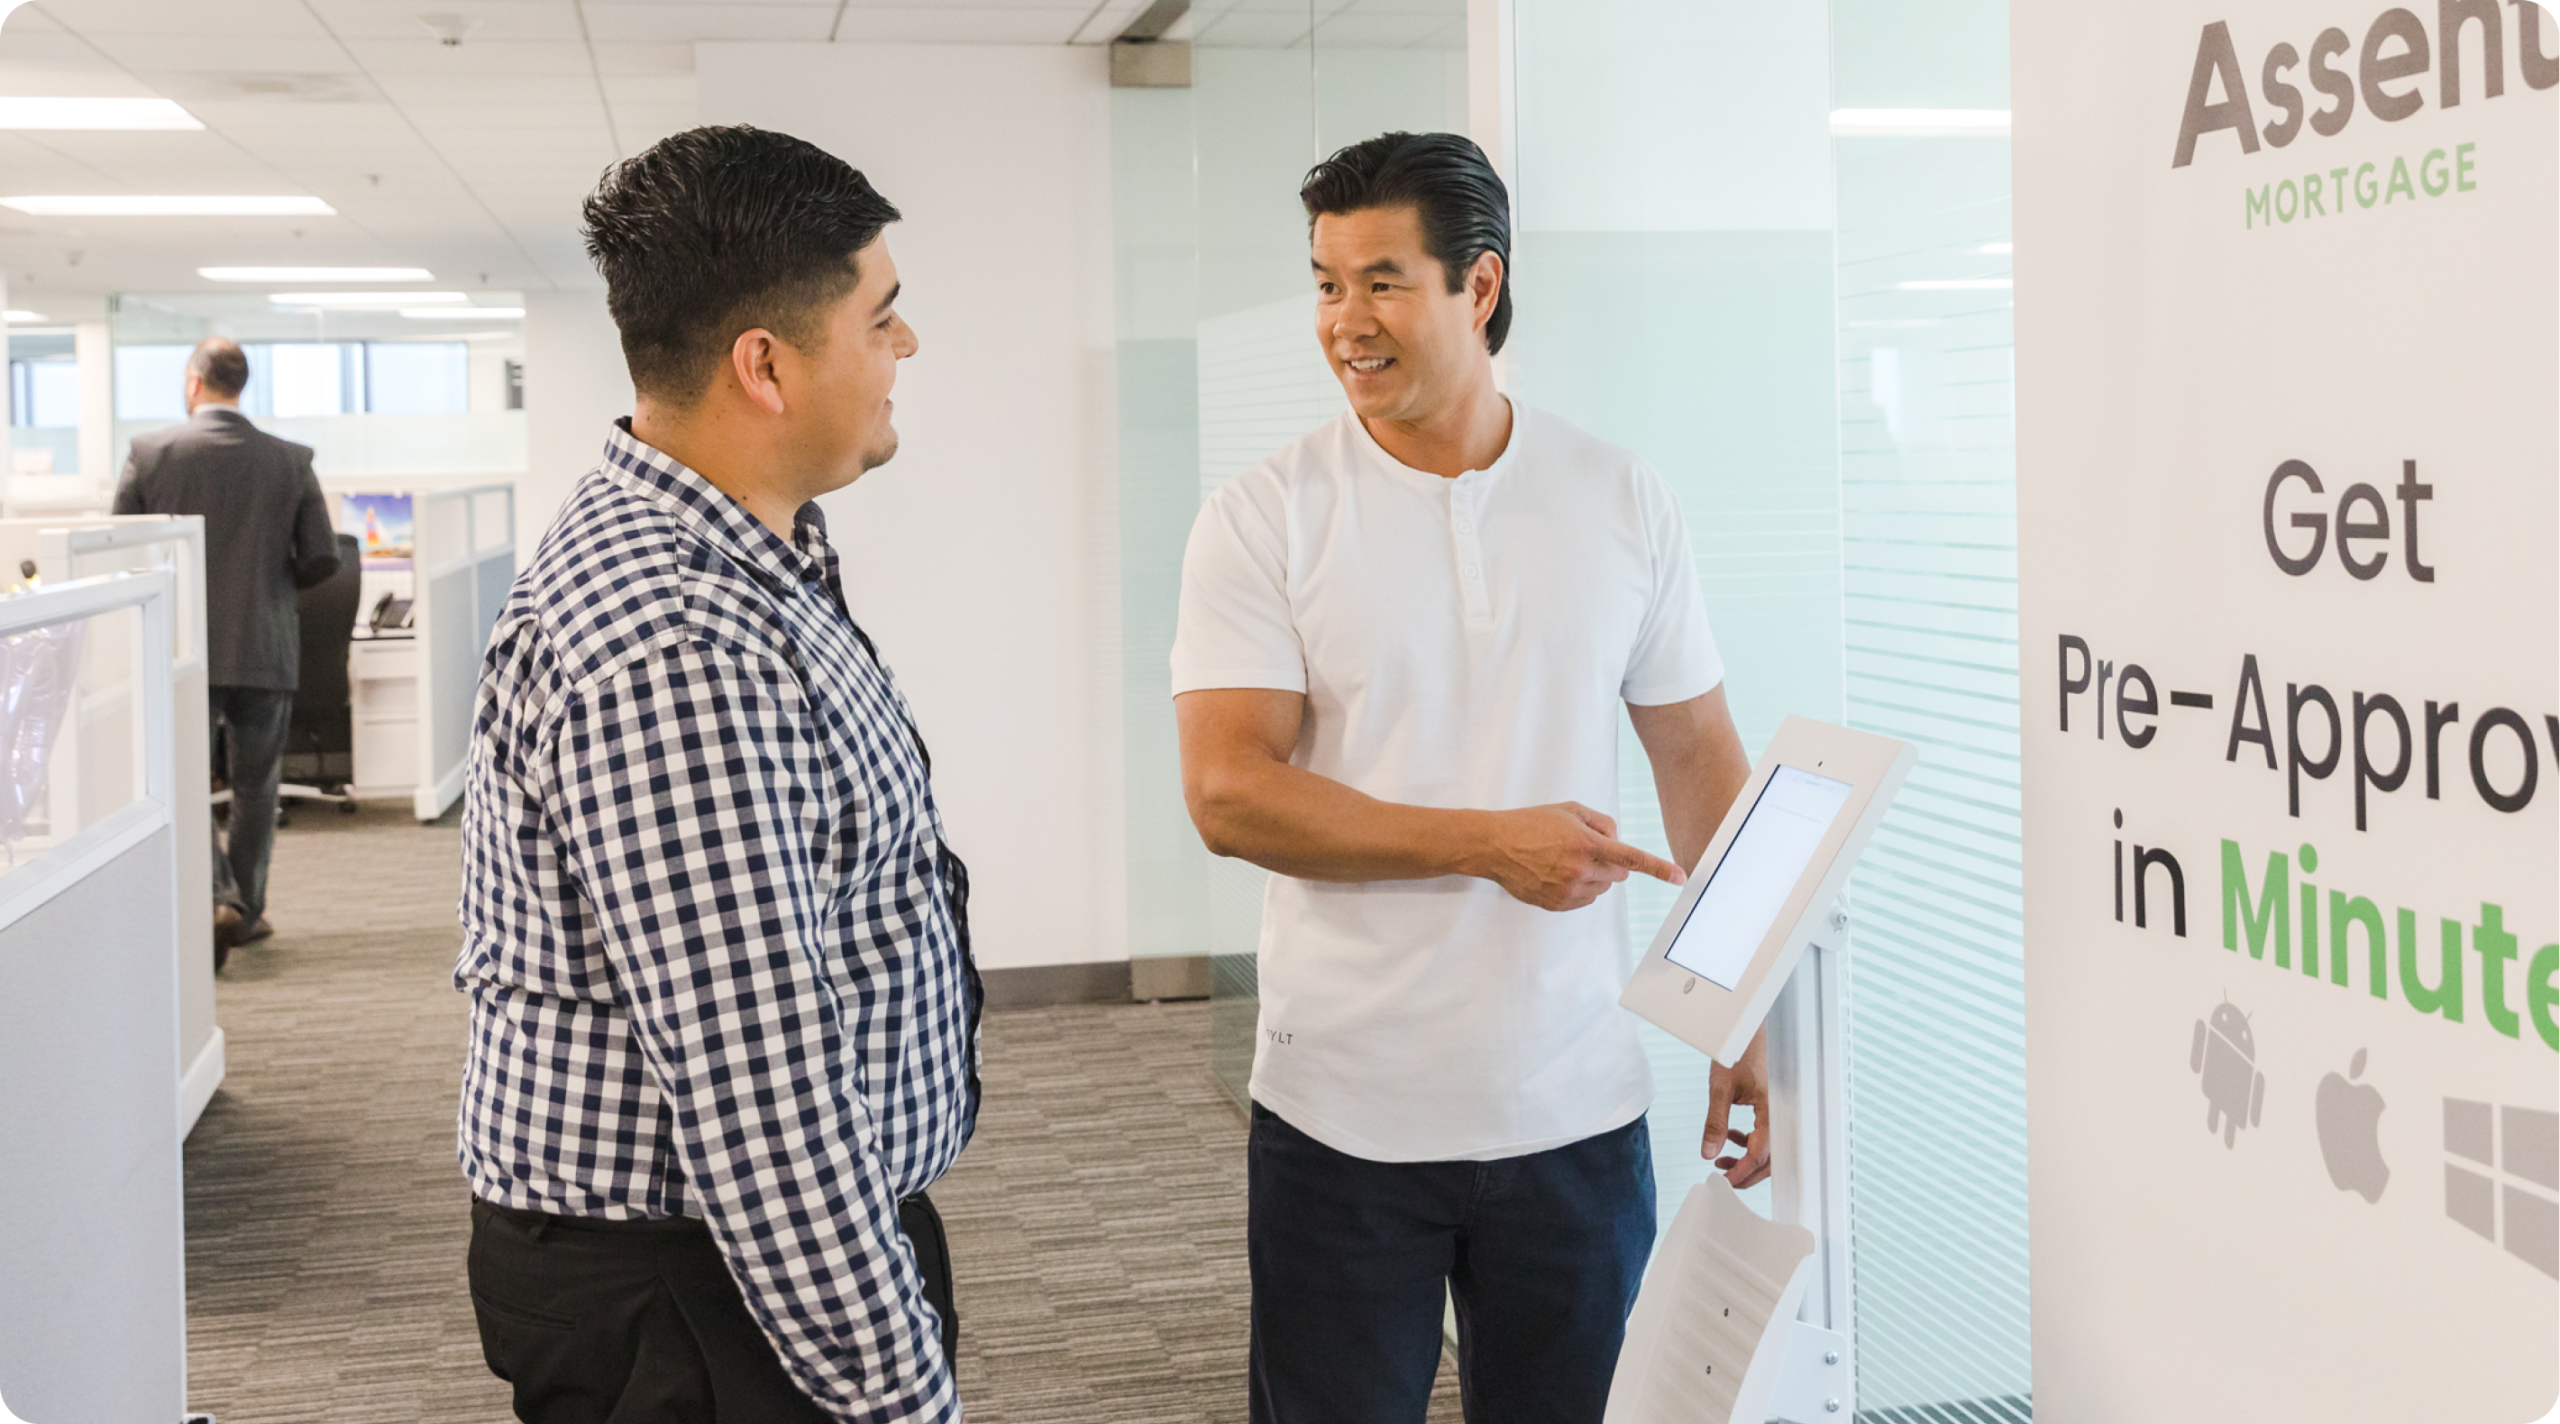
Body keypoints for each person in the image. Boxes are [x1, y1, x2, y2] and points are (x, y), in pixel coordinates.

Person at [1171, 131, 1765, 1424]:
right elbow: (1228, 791)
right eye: (1325, 283)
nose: (1344, 322)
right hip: (1342, 1119)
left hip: (1577, 1115)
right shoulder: (1266, 517)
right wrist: (1484, 843)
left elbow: (1700, 761)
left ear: (1478, 287)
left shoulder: (1621, 499)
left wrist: (1741, 1003)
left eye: (1381, 281)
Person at [454, 125, 979, 1424]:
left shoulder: (747, 551)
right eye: (882, 317)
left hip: (732, 1265)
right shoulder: (675, 637)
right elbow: (763, 1097)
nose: (904, 347)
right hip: (699, 1289)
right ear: (766, 365)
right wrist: (903, 1396)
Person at [114, 336, 340, 967]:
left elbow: (123, 548)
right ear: (242, 386)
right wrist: (269, 587)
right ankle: (247, 910)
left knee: (185, 777)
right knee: (257, 783)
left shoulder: (151, 453)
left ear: (193, 383)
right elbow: (325, 554)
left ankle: (218, 895)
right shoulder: (290, 459)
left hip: (180, 649)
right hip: (266, 645)